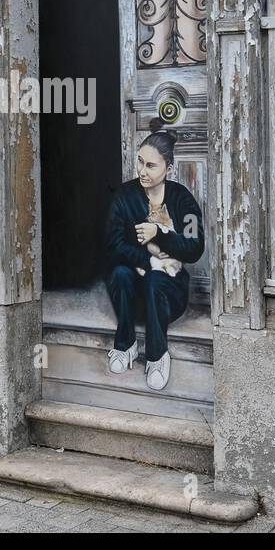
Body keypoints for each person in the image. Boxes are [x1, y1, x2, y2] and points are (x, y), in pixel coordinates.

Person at [103, 130, 204, 391]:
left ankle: (157, 356)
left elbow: (194, 248)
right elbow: (112, 246)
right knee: (120, 273)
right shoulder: (124, 197)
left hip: (168, 296)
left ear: (168, 168)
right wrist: (148, 260)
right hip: (133, 297)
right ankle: (125, 345)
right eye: (139, 162)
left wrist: (160, 233)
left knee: (156, 280)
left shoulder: (182, 199)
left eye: (150, 165)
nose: (142, 171)